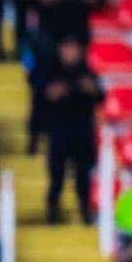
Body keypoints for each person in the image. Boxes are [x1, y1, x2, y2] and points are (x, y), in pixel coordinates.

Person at [37, 37, 102, 225]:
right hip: (59, 132)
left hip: (83, 132)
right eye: (67, 48)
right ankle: (52, 211)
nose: (71, 52)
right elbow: (43, 96)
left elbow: (100, 95)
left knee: (83, 176)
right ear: (60, 50)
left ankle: (85, 211)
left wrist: (90, 88)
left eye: (74, 48)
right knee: (57, 176)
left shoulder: (88, 72)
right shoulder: (51, 71)